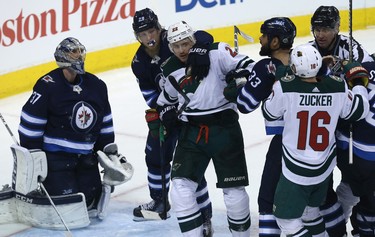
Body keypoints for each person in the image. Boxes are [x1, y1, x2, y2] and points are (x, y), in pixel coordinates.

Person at [157, 20, 255, 237]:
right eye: (176, 46)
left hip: (225, 129)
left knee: (233, 190)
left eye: (185, 43)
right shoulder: (170, 69)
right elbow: (165, 102)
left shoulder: (217, 52)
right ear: (170, 48)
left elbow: (250, 67)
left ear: (193, 40)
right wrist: (167, 114)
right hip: (191, 132)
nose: (182, 50)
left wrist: (237, 78)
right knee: (181, 188)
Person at [17, 37, 133, 218]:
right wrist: (35, 159)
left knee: (89, 202)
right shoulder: (47, 85)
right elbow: (30, 125)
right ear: (62, 57)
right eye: (73, 52)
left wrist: (108, 152)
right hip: (56, 160)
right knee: (68, 205)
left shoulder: (97, 86)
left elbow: (105, 122)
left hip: (86, 158)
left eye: (80, 52)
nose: (79, 56)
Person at [261, 44, 369, 237]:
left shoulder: (284, 88)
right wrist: (358, 81)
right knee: (310, 213)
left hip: (296, 170)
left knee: (286, 220)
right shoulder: (337, 86)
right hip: (323, 169)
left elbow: (269, 112)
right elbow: (359, 110)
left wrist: (282, 76)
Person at [130, 7, 213, 229]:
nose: (149, 38)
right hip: (168, 114)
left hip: (193, 111)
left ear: (159, 29)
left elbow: (204, 37)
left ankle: (204, 215)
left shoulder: (173, 39)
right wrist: (163, 111)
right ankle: (159, 201)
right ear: (137, 36)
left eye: (151, 31)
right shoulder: (138, 62)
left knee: (188, 165)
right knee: (154, 155)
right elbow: (150, 95)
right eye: (143, 34)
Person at [223, 17, 296, 237]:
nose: (260, 38)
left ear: (275, 42)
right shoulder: (307, 58)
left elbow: (245, 105)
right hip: (317, 144)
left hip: (285, 143)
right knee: (318, 200)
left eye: (264, 35)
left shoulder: (266, 66)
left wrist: (236, 87)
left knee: (267, 199)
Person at [308, 6, 374, 236]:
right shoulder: (307, 51)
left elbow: (367, 77)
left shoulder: (352, 49)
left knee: (353, 179)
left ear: (337, 28)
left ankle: (342, 222)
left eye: (326, 28)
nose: (321, 34)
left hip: (347, 124)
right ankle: (333, 225)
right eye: (317, 29)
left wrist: (349, 71)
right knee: (322, 184)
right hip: (319, 126)